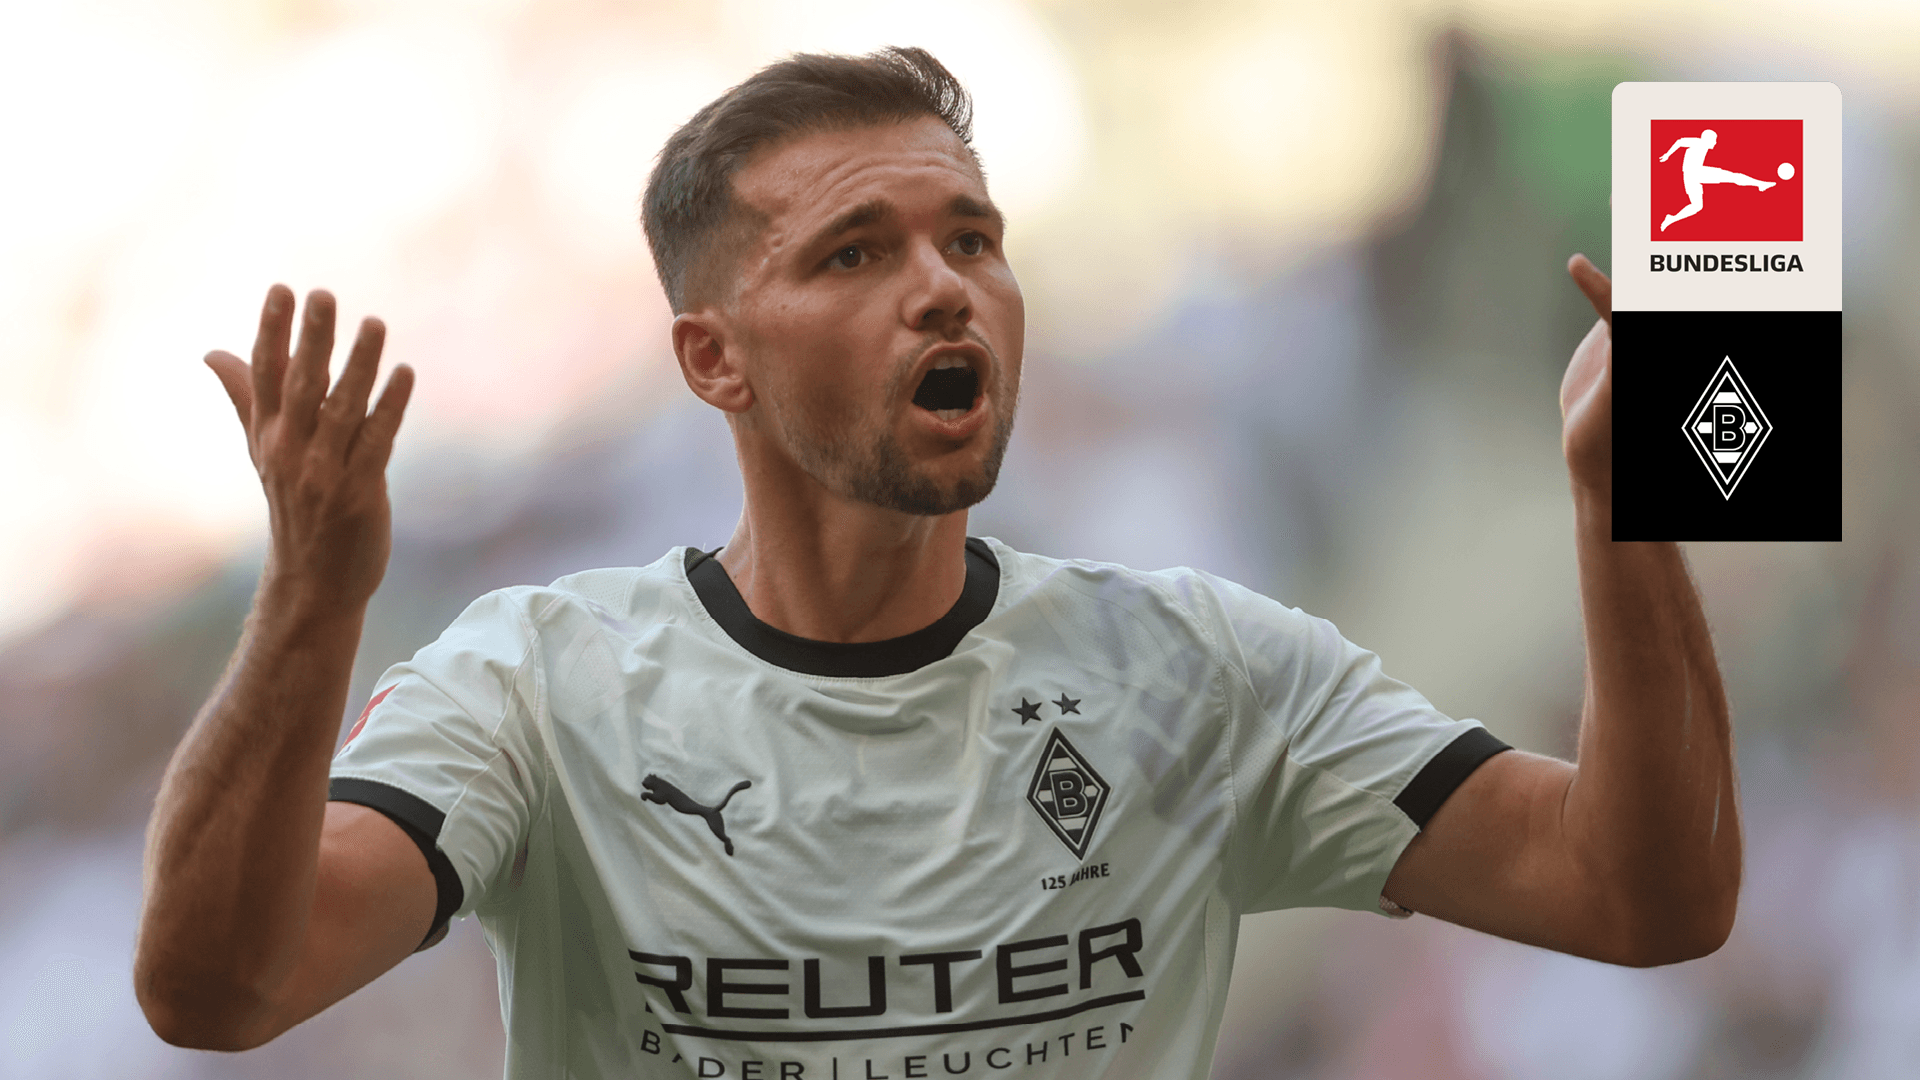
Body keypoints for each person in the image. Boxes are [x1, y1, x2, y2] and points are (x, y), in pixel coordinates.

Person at [133, 47, 1741, 1078]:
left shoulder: (1201, 675)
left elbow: (1642, 896)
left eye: (972, 238)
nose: (945, 286)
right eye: (856, 252)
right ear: (713, 359)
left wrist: (1632, 508)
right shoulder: (536, 689)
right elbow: (217, 990)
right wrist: (310, 606)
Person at [1659, 127, 1776, 232]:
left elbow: (1680, 143)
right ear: (1707, 139)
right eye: (1714, 140)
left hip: (1690, 176)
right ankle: (1760, 184)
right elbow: (1680, 142)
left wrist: (1669, 155)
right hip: (1697, 172)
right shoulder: (1698, 142)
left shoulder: (1702, 145)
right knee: (1733, 177)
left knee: (1697, 206)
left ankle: (1671, 219)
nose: (1715, 142)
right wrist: (1667, 155)